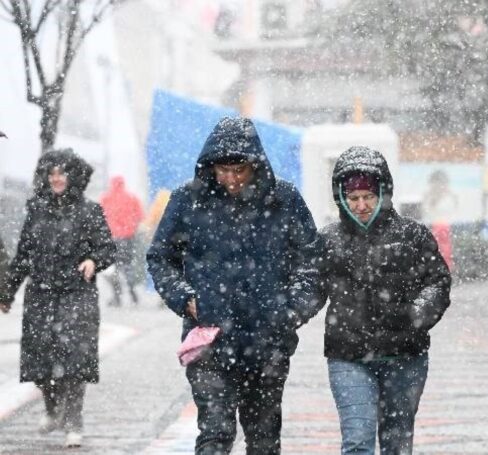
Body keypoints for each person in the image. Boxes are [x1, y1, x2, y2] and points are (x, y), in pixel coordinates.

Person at [146, 117, 322, 455]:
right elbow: (160, 258)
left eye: (238, 170)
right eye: (222, 170)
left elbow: (311, 263)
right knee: (214, 434)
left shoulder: (283, 200)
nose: (230, 179)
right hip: (209, 337)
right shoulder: (188, 200)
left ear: (255, 165)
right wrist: (186, 300)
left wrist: (291, 311)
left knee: (264, 439)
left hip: (267, 340)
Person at [317, 146, 452, 455]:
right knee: (358, 440)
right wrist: (279, 317)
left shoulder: (413, 236)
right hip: (348, 358)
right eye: (354, 198)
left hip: (405, 358)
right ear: (341, 198)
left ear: (383, 193)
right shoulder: (327, 241)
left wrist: (417, 314)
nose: (362, 205)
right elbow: (307, 290)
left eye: (368, 196)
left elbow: (438, 282)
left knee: (397, 443)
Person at [0, 149, 116, 448]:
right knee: (41, 361)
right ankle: (53, 407)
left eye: (61, 173)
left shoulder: (90, 211)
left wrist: (93, 260)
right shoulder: (36, 210)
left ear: (73, 176)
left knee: (74, 360)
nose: (56, 179)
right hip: (41, 294)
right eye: (51, 173)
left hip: (77, 294)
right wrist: (6, 292)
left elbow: (107, 248)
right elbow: (23, 257)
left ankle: (74, 420)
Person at [100, 176, 144, 306]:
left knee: (111, 269)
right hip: (128, 238)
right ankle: (131, 292)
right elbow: (140, 216)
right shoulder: (131, 198)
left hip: (111, 239)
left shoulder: (105, 198)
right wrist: (131, 226)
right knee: (127, 266)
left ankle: (117, 296)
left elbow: (98, 218)